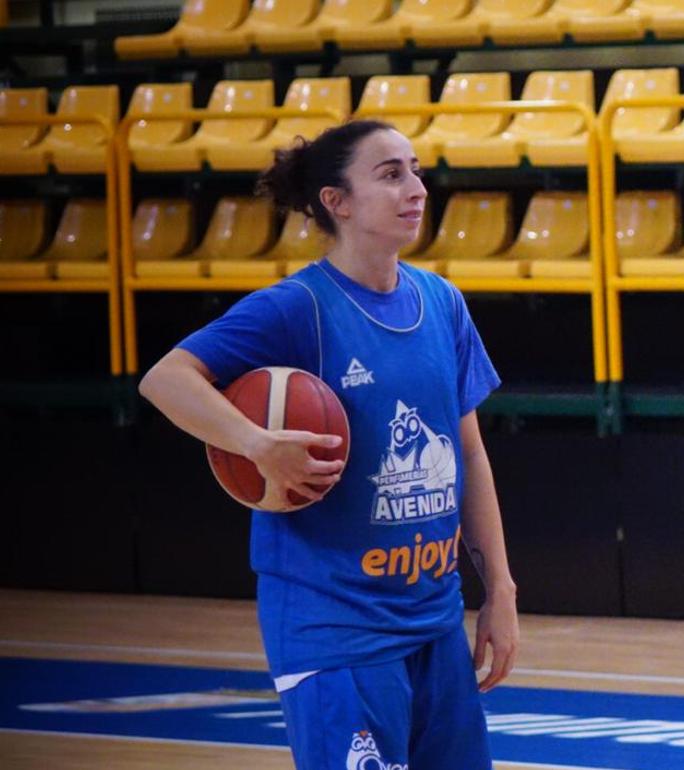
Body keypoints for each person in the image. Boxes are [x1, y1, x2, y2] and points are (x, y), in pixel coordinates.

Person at [139, 119, 518, 770]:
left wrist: (501, 592)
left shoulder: (443, 303)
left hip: (433, 620)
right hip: (334, 631)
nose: (415, 188)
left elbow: (471, 456)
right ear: (336, 201)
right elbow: (165, 379)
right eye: (391, 173)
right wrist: (257, 443)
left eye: (416, 170)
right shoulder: (296, 308)